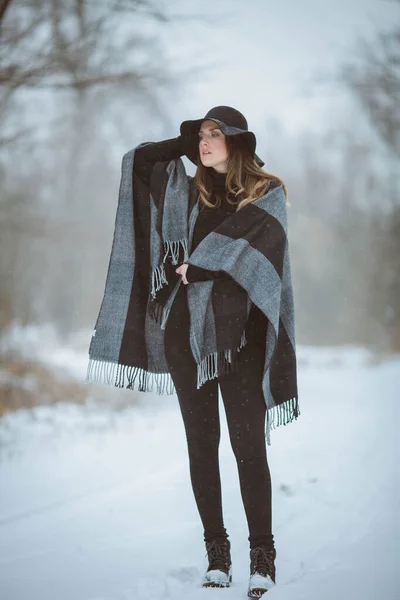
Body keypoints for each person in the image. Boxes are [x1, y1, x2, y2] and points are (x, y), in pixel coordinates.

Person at [132, 106, 290, 597]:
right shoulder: (188, 191)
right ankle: (216, 557)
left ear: (237, 141)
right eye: (201, 134)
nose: (204, 142)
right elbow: (139, 164)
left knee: (247, 448)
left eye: (214, 134)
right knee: (201, 446)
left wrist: (195, 267)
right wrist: (184, 143)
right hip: (187, 334)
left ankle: (261, 559)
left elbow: (250, 251)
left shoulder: (267, 194)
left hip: (240, 337)